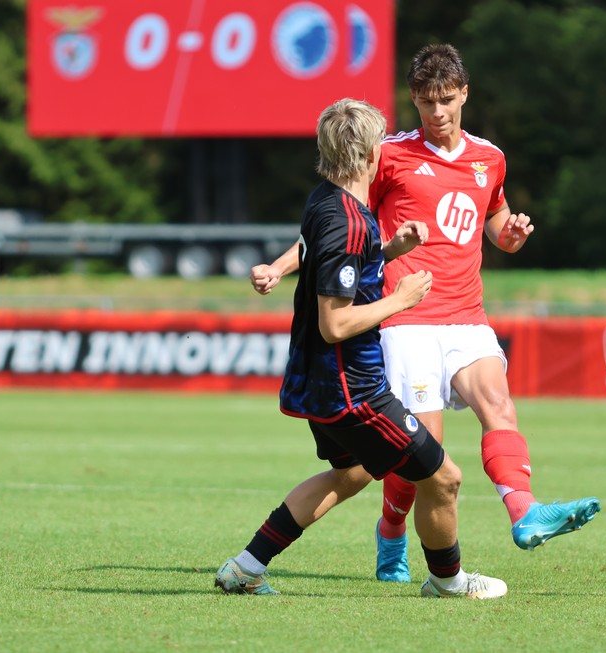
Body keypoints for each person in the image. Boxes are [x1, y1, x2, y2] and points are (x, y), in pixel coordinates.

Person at [251, 44, 600, 584]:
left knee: (498, 404)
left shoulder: (491, 158)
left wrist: (511, 236)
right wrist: (279, 266)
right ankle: (392, 534)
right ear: (413, 101)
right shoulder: (387, 154)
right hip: (405, 320)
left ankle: (525, 511)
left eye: (444, 100)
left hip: (466, 314)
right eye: (424, 102)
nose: (435, 113)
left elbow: (496, 224)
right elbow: (333, 230)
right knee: (421, 458)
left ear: (465, 94)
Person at [215, 98, 508, 599]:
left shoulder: (327, 202)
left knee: (350, 473)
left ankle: (244, 567)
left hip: (322, 382)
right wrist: (400, 298)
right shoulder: (347, 221)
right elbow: (335, 323)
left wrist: (390, 250)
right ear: (370, 154)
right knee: (445, 477)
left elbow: (337, 265)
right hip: (354, 390)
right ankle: (447, 580)